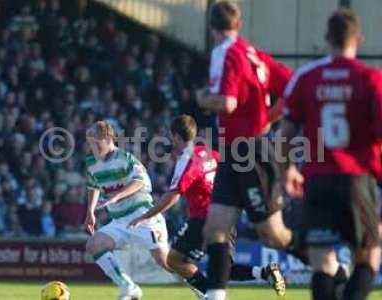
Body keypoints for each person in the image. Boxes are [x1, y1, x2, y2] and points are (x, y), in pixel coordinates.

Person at [195, 2, 350, 300]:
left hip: (250, 151)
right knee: (215, 228)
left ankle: (333, 268)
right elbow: (292, 84)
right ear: (239, 24)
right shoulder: (255, 55)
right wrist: (269, 116)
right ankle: (215, 297)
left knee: (273, 235)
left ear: (211, 28)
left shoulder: (225, 53)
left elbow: (226, 102)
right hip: (232, 152)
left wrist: (202, 97)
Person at [281, 8, 382, 300]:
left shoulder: (306, 77)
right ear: (358, 39)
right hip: (356, 181)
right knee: (368, 257)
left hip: (316, 182)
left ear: (327, 38)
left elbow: (285, 134)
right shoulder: (370, 79)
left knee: (323, 264)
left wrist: (288, 169)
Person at [128, 115, 285, 299]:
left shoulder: (187, 160)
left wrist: (146, 215)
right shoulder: (211, 153)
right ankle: (264, 273)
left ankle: (207, 296)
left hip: (204, 219)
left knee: (174, 260)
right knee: (222, 269)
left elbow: (173, 195)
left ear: (176, 137)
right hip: (226, 215)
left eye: (172, 137)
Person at [84, 120, 169, 300]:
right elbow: (93, 186)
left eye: (96, 143)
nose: (93, 148)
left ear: (108, 139)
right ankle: (129, 287)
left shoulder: (125, 158)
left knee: (165, 262)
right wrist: (90, 212)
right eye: (90, 143)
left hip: (143, 216)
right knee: (94, 244)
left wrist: (117, 196)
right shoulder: (92, 163)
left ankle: (204, 289)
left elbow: (140, 182)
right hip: (119, 221)